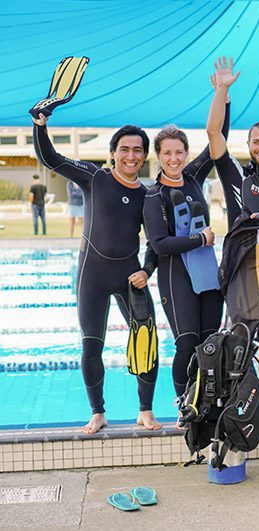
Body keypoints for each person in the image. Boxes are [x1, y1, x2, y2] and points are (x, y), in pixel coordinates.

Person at [32, 113, 160, 434]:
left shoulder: (148, 195)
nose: (131, 156)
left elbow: (156, 241)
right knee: (92, 345)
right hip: (93, 275)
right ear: (113, 152)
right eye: (125, 149)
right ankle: (98, 412)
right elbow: (51, 159)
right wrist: (40, 126)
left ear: (144, 156)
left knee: (147, 341)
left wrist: (146, 270)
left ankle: (145, 410)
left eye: (137, 150)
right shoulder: (94, 178)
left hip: (131, 276)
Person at [206, 57, 259, 421]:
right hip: (242, 269)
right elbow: (213, 134)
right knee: (239, 338)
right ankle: (234, 401)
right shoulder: (236, 174)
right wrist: (222, 90)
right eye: (257, 142)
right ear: (250, 143)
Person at [143, 120, 226, 402]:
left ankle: (207, 401)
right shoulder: (154, 196)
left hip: (206, 271)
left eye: (179, 152)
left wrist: (223, 94)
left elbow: (218, 135)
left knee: (210, 343)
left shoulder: (192, 178)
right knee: (187, 343)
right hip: (175, 274)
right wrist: (200, 240)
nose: (173, 159)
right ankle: (184, 404)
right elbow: (159, 244)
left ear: (186, 154)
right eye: (167, 153)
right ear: (158, 156)